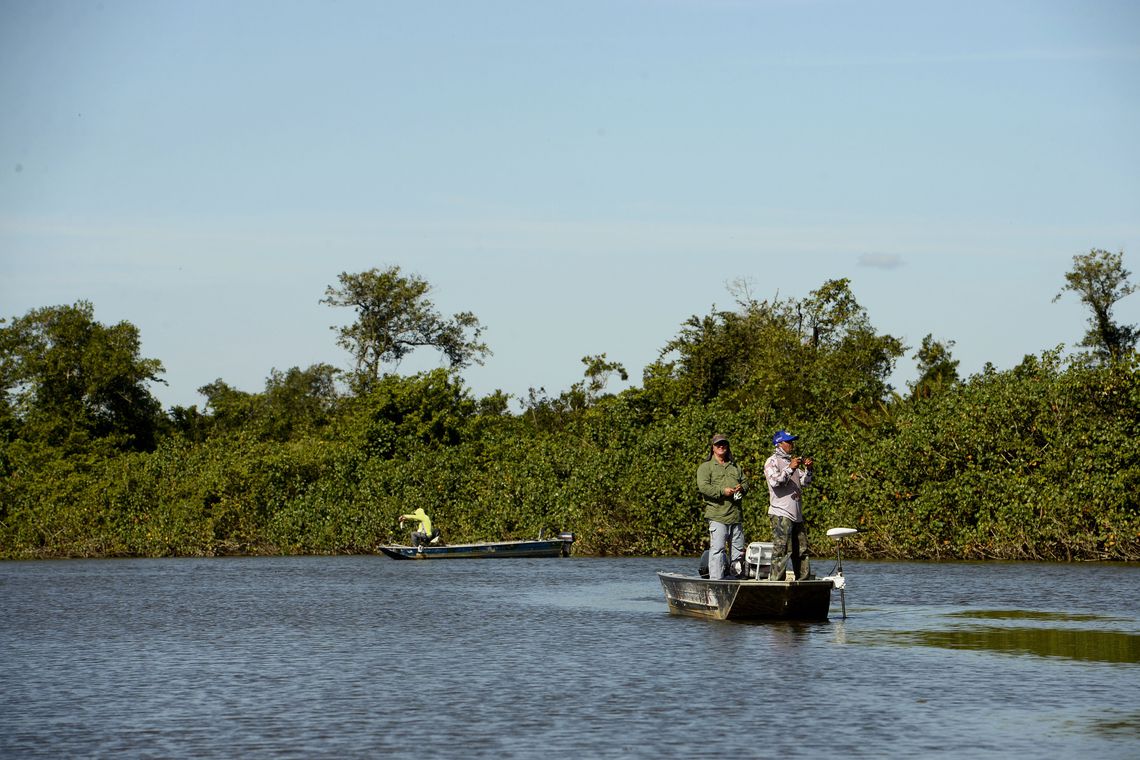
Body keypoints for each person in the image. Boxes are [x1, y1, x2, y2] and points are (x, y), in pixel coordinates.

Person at [764, 429, 814, 581]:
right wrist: (790, 468)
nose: (792, 444)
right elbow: (774, 481)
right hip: (781, 513)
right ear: (779, 444)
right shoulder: (772, 461)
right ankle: (776, 582)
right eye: (789, 441)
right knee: (782, 550)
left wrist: (808, 469)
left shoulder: (790, 462)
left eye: (792, 441)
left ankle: (804, 581)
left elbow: (805, 482)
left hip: (797, 515)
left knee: (802, 550)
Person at [696, 433, 748, 580]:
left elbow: (745, 483)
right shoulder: (705, 467)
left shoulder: (735, 467)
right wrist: (722, 491)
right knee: (718, 551)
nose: (721, 446)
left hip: (736, 516)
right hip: (717, 516)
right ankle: (716, 582)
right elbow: (704, 487)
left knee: (737, 552)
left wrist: (741, 488)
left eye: (724, 444)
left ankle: (736, 580)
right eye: (718, 444)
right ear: (713, 448)